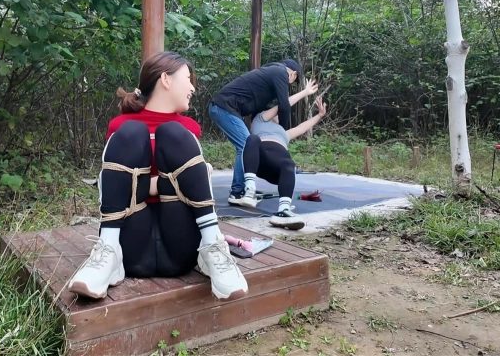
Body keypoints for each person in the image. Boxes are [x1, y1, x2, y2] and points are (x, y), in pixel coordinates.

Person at [67, 51, 248, 301]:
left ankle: (213, 246)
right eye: (188, 79)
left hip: (180, 242)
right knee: (132, 130)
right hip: (130, 242)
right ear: (166, 79)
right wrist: (178, 181)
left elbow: (192, 190)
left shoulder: (187, 131)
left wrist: (144, 184)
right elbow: (110, 186)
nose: (193, 88)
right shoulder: (121, 129)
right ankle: (108, 252)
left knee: (173, 131)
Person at [209, 59, 318, 204]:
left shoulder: (268, 78)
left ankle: (243, 188)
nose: (289, 84)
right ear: (293, 74)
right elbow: (284, 105)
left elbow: (275, 107)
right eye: (293, 81)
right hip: (224, 107)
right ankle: (237, 192)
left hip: (225, 108)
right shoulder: (280, 72)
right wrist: (282, 129)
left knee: (248, 145)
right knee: (246, 145)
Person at [238, 95, 328, 231]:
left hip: (278, 171)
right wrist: (305, 92)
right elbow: (282, 106)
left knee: (288, 163)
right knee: (253, 139)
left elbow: (301, 128)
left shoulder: (283, 133)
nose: (278, 115)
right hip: (261, 161)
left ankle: (284, 210)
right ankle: (249, 191)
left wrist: (320, 115)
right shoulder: (259, 120)